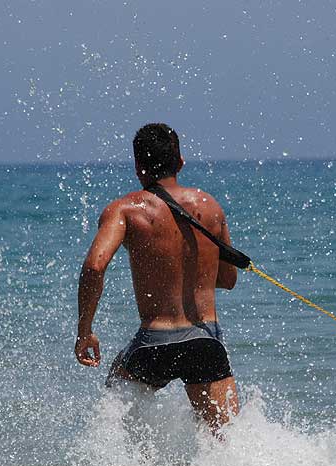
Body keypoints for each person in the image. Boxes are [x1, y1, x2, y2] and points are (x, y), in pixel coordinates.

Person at [75, 123, 239, 433]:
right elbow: (228, 279)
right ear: (180, 162)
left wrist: (85, 331)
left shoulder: (124, 210)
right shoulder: (211, 208)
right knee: (227, 443)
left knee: (114, 427)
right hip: (205, 341)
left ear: (138, 166)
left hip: (153, 344)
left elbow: (94, 267)